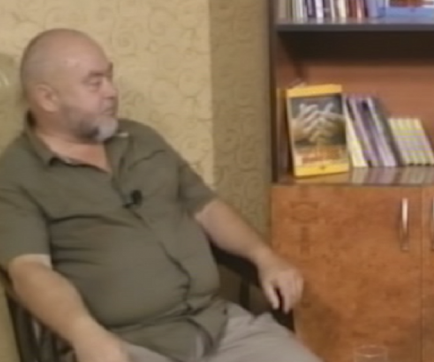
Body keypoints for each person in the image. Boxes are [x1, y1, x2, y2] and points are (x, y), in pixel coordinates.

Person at [0, 28, 322, 362]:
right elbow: (29, 270)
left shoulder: (141, 139)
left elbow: (206, 207)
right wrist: (84, 333)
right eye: (94, 83)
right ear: (48, 98)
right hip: (125, 344)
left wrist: (263, 256)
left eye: (109, 77)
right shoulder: (18, 173)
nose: (112, 92)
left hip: (214, 323)